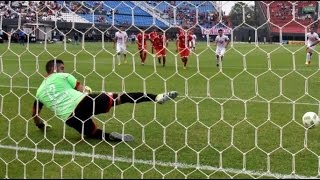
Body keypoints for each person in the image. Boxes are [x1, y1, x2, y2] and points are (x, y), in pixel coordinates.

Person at [32, 59, 178, 142]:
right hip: (84, 101)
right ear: (55, 69)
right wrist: (88, 90)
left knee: (91, 133)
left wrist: (41, 126)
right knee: (122, 98)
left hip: (70, 118)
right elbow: (82, 89)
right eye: (62, 67)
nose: (64, 70)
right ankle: (156, 97)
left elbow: (35, 114)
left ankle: (111, 136)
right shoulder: (62, 76)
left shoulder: (39, 91)